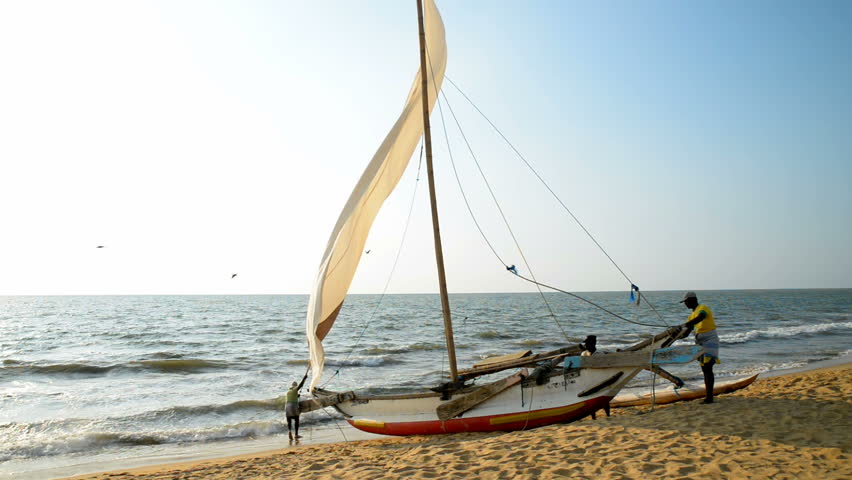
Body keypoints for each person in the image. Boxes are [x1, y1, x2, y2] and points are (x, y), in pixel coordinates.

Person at [680, 291, 720, 404]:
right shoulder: (691, 315)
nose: (685, 304)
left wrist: (685, 324)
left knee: (708, 368)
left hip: (710, 340)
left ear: (693, 300)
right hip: (700, 342)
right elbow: (686, 332)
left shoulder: (703, 308)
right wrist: (676, 334)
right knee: (704, 369)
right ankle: (709, 396)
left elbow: (701, 317)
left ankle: (709, 398)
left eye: (686, 302)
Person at [285, 372, 309, 439]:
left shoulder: (288, 392)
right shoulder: (295, 389)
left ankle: (289, 431)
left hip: (287, 406)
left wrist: (297, 396)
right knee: (296, 419)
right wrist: (304, 379)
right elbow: (300, 385)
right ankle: (296, 434)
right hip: (293, 406)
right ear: (295, 386)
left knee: (289, 420)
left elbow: (292, 397)